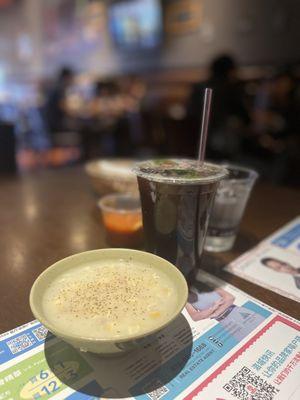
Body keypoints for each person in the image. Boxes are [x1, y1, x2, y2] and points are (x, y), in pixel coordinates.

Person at [187, 54, 250, 158]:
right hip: (219, 148)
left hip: (193, 142)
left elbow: (189, 113)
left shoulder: (197, 87)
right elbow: (245, 118)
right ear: (230, 71)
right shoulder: (230, 88)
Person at [186, 281, 265, 342]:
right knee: (249, 341)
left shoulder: (207, 284)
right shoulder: (186, 298)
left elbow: (230, 298)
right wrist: (213, 308)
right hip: (225, 322)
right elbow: (195, 317)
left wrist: (215, 313)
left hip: (237, 312)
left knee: (263, 328)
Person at [45, 67, 74, 134]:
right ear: (66, 77)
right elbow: (62, 107)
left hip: (50, 123)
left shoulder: (55, 86)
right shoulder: (60, 88)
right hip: (56, 125)